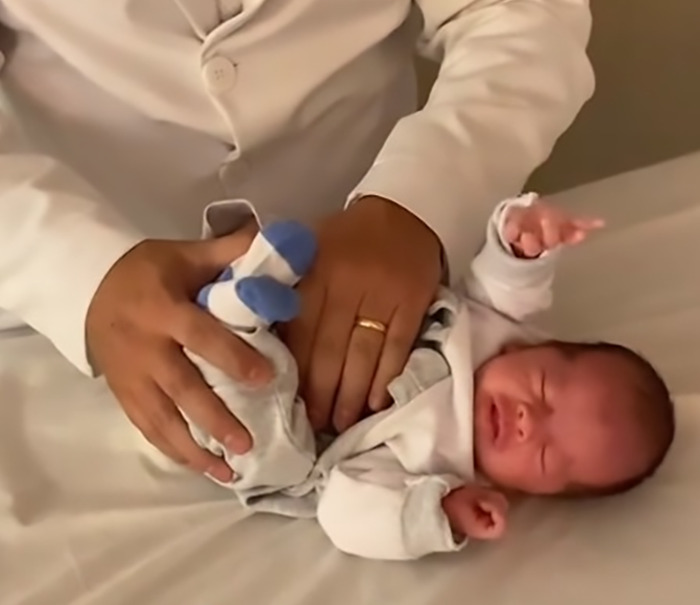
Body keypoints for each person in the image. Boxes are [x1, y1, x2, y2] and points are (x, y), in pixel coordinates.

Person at [0, 2, 595, 483]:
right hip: (57, 308)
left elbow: (518, 14)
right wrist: (80, 272)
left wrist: (417, 202)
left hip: (393, 290)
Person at [184, 194, 674, 560]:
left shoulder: (438, 469)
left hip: (293, 418)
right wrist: (524, 241)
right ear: (538, 345)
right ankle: (251, 272)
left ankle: (235, 313)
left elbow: (343, 513)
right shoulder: (498, 327)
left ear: (528, 493)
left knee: (262, 442)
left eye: (544, 456)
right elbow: (507, 278)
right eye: (544, 388)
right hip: (317, 315)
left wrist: (437, 514)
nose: (528, 421)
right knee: (324, 273)